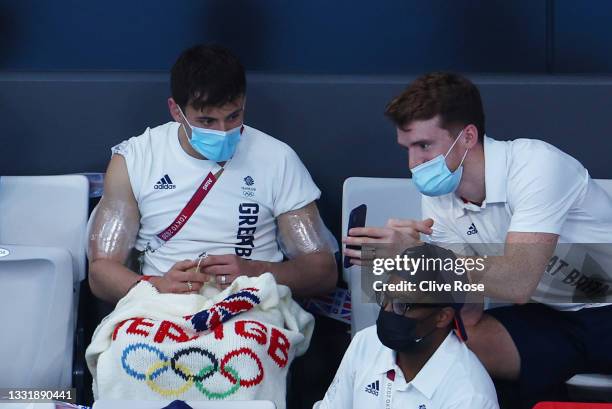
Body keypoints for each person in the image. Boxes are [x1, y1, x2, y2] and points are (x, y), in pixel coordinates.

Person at [343, 72, 612, 407]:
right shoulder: (440, 196)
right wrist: (411, 261)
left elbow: (517, 280)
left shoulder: (535, 165)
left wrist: (421, 259)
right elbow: (466, 306)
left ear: (468, 136)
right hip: (548, 315)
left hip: (606, 304)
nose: (413, 164)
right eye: (407, 148)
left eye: (424, 146)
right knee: (451, 343)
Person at [88, 44, 337, 304]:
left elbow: (322, 271)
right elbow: (101, 272)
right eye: (207, 121)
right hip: (160, 305)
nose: (222, 131)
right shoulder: (134, 159)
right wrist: (156, 286)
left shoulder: (278, 159)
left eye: (233, 117)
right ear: (176, 111)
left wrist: (256, 272)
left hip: (250, 304)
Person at [318, 244, 499, 409]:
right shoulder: (366, 342)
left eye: (401, 305)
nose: (387, 311)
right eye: (385, 298)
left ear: (443, 317)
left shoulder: (470, 398)